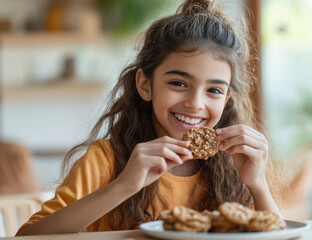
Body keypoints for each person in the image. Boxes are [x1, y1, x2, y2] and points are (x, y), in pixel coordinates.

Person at [16, 0, 284, 235]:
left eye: (213, 90)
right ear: (145, 85)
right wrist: (124, 185)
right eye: (178, 83)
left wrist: (257, 183)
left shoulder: (232, 169)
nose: (195, 104)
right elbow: (30, 236)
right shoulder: (106, 159)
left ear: (226, 101)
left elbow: (272, 232)